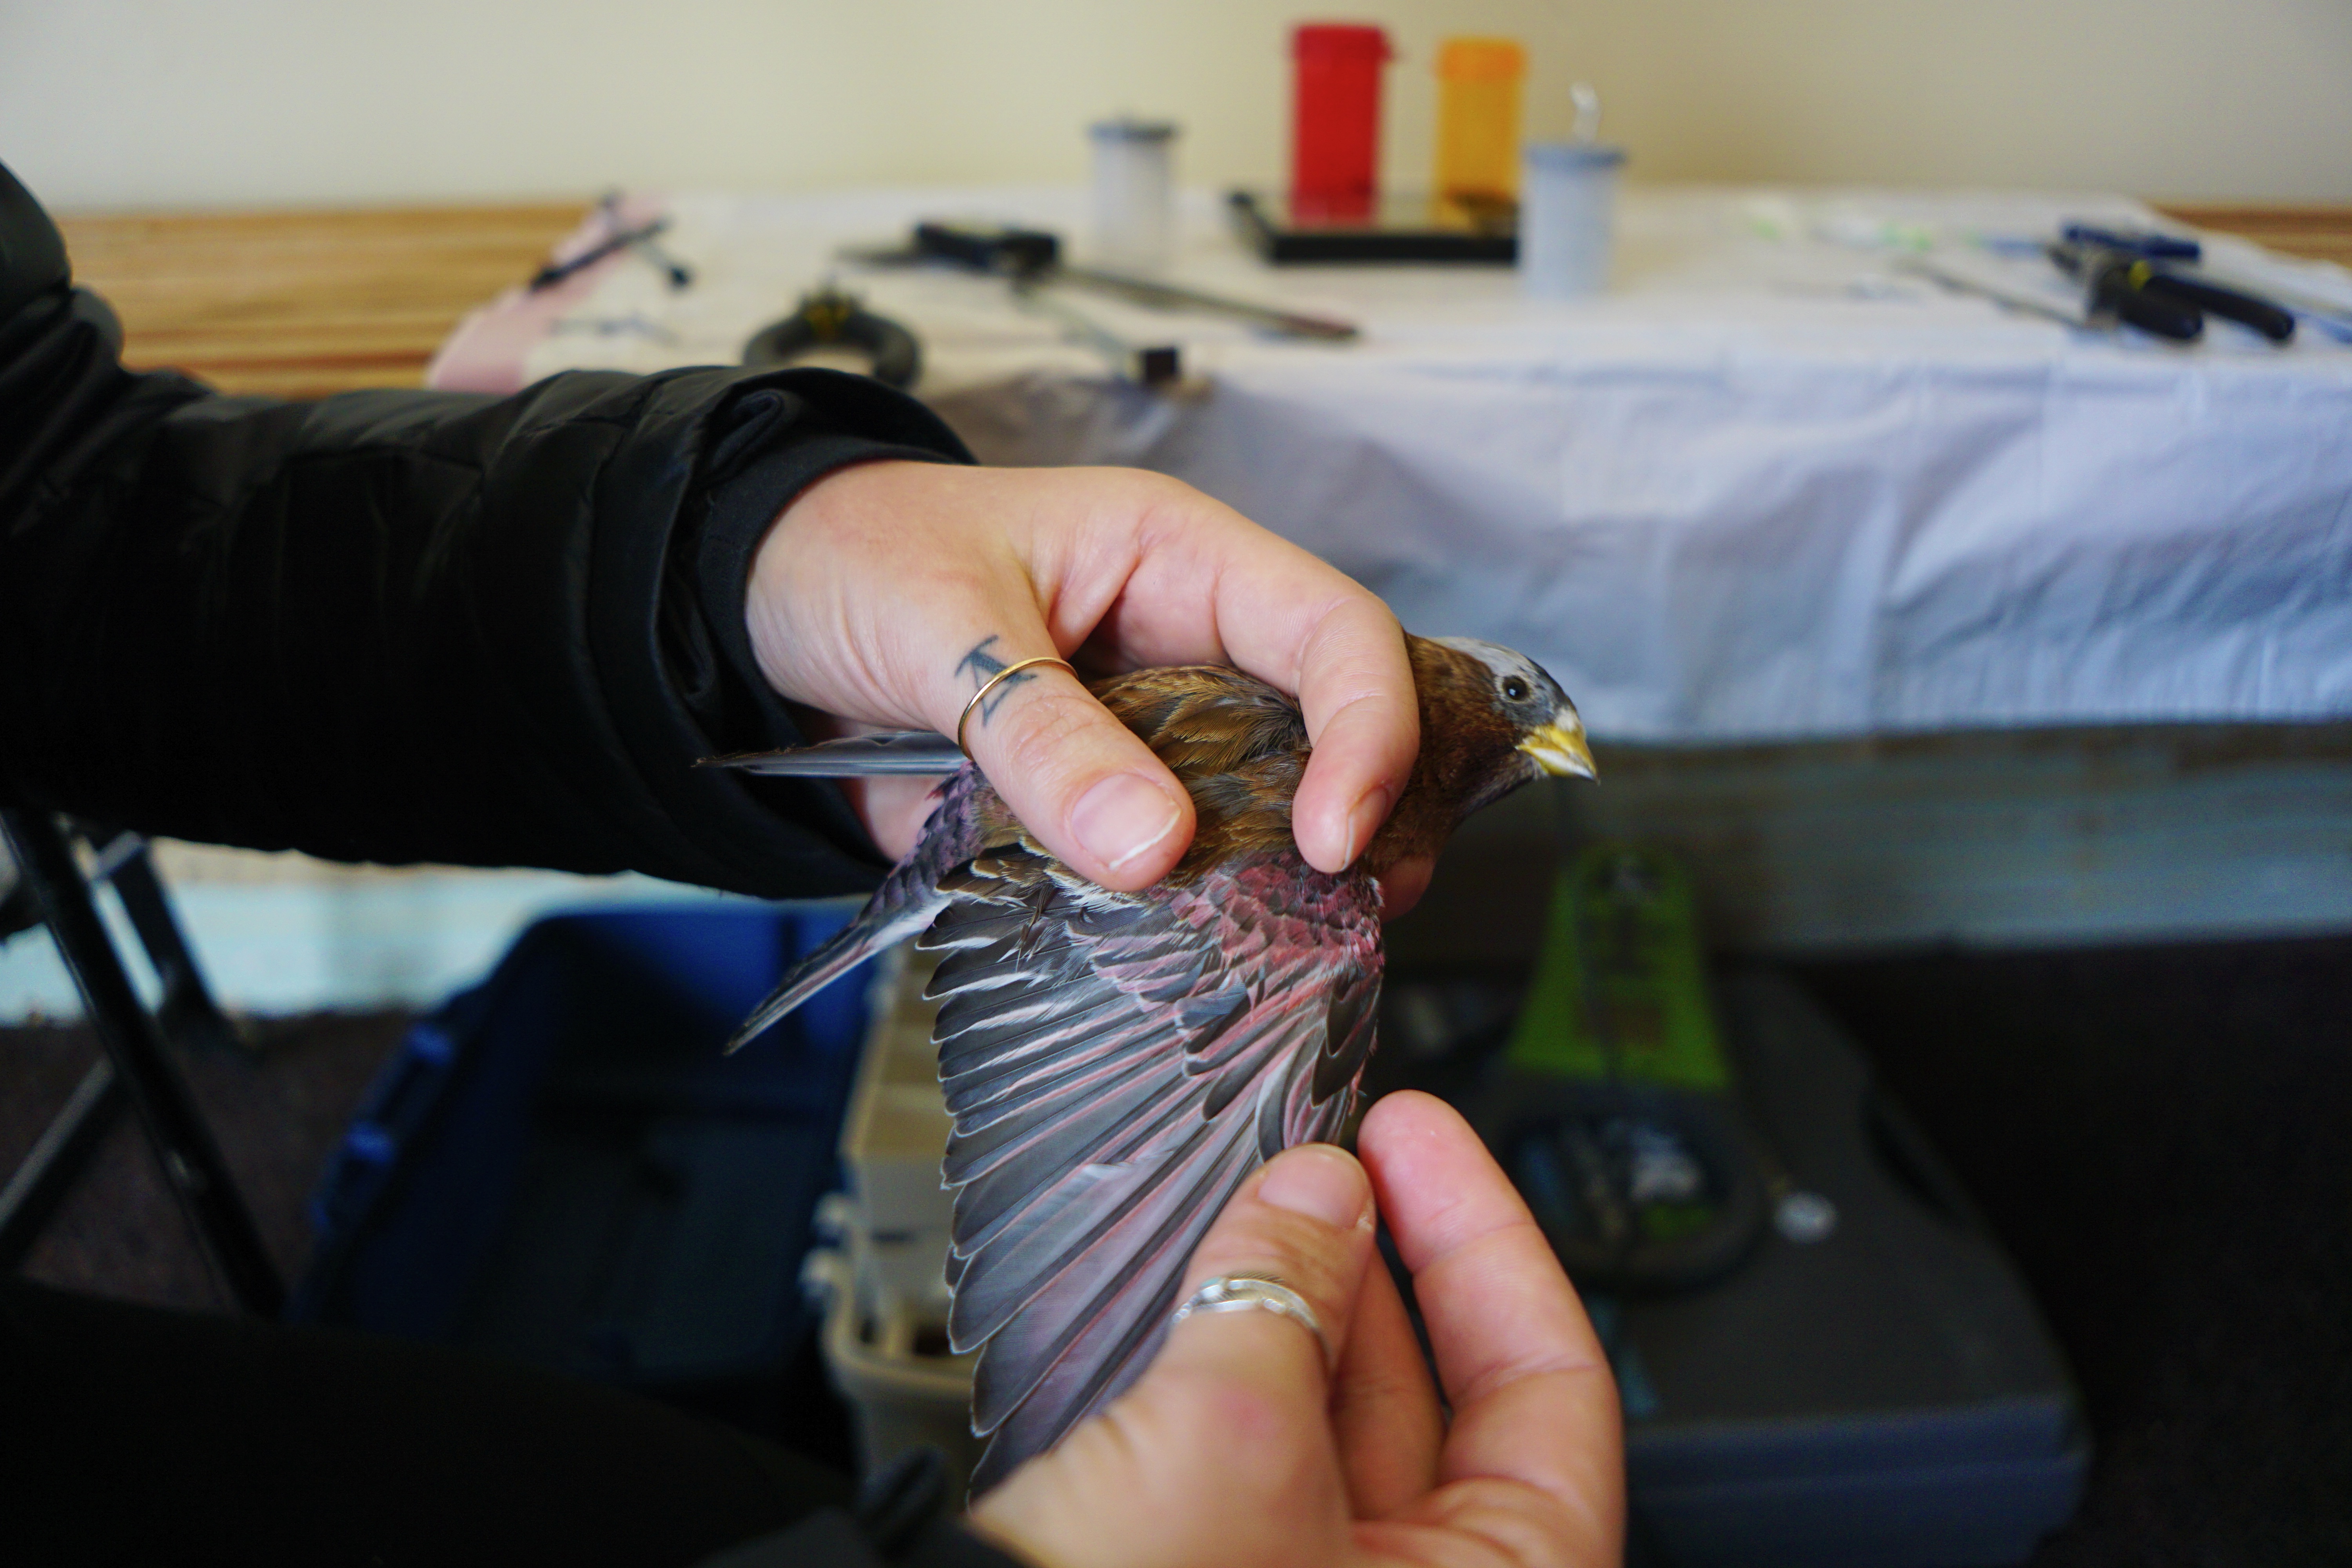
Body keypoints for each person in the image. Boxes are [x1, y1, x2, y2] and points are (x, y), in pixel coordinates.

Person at [0, 160, 1622, 1566]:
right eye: (1527, 703)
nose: (1547, 737)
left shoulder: (1341, 820)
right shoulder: (1318, 893)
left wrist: (749, 552)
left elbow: (67, 502)